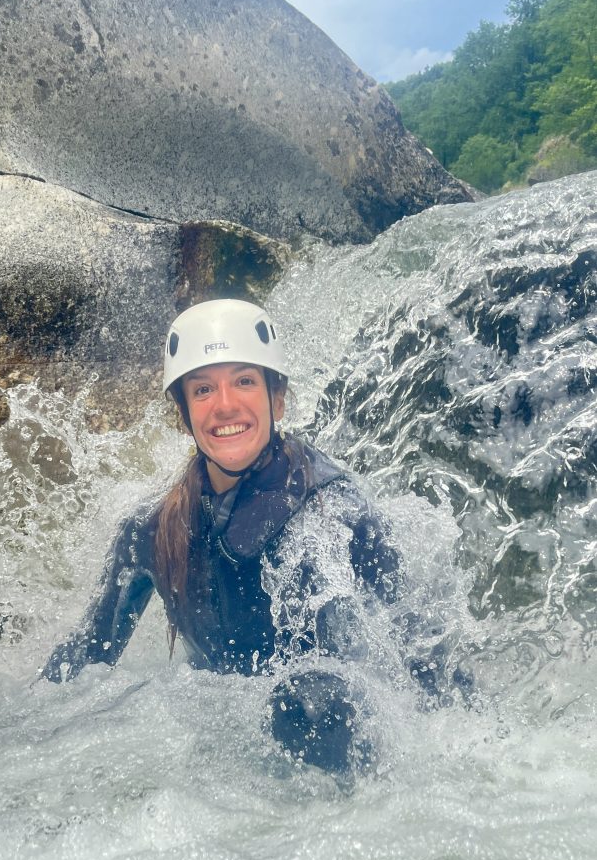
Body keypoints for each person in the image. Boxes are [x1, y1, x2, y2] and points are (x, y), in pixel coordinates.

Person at [42, 299, 453, 773]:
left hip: (341, 742)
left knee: (308, 698)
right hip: (222, 753)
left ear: (276, 399)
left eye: (243, 381)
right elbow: (85, 661)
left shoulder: (334, 509)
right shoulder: (149, 531)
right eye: (202, 390)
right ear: (184, 413)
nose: (225, 406)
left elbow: (419, 651)